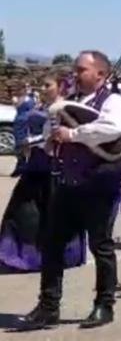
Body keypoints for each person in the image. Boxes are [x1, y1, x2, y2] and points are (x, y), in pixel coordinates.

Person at [23, 51, 121, 329]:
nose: (76, 74)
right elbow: (53, 136)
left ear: (100, 73)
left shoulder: (113, 102)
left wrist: (73, 134)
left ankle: (104, 305)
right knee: (52, 244)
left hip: (99, 186)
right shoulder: (69, 103)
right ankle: (49, 306)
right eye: (75, 69)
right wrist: (49, 141)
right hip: (67, 186)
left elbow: (112, 129)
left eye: (82, 69)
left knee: (101, 246)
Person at [0, 72, 86, 272]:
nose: (43, 89)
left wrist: (31, 143)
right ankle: (25, 256)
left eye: (48, 85)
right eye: (42, 85)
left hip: (53, 169)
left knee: (50, 215)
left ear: (61, 87)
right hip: (35, 166)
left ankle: (55, 256)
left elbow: (53, 138)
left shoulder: (64, 109)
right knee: (22, 213)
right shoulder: (40, 106)